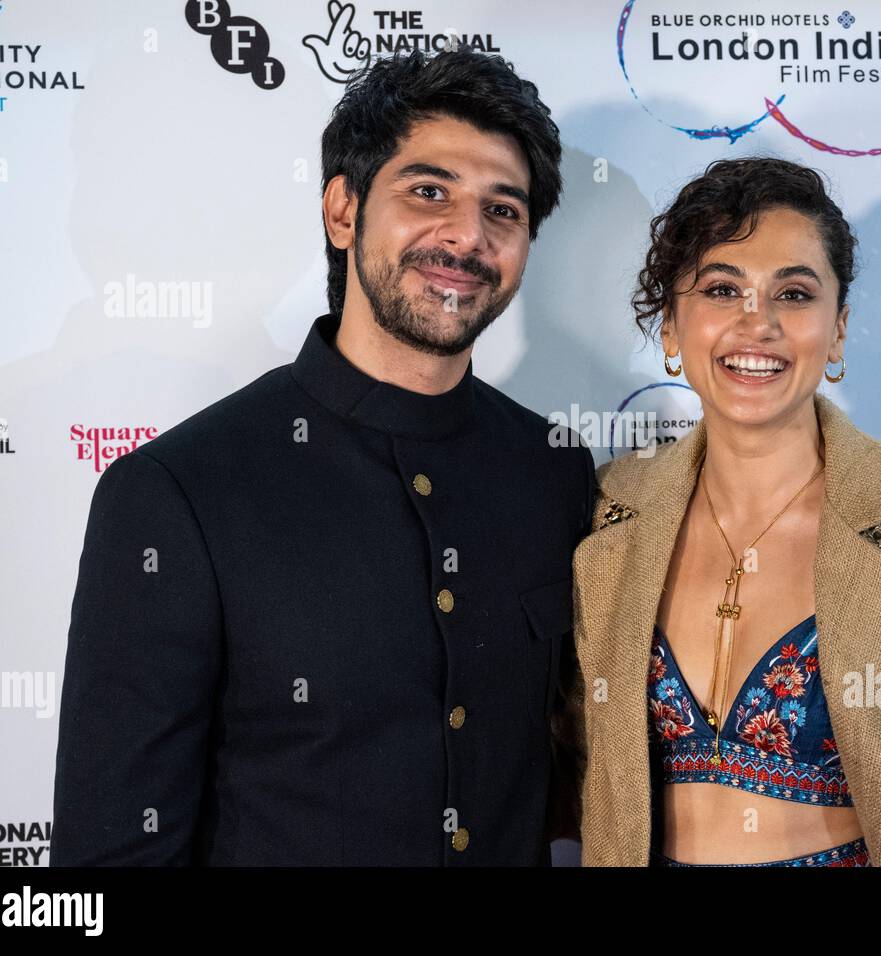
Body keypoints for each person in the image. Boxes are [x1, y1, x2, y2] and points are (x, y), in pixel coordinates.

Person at [51, 46, 593, 866]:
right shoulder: (178, 493)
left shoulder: (553, 470)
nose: (466, 236)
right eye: (428, 192)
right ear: (343, 211)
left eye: (503, 211)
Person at [557, 157, 881, 866]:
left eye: (794, 294)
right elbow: (562, 760)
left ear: (837, 332)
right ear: (669, 330)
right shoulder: (603, 515)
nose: (759, 324)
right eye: (723, 289)